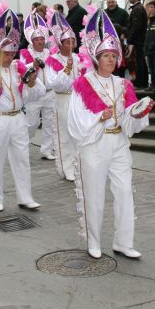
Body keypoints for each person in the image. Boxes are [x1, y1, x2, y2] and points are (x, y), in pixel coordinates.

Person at [68, 8, 152, 259]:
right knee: (94, 193)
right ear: (96, 58)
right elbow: (76, 118)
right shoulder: (84, 83)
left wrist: (138, 111)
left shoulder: (122, 84)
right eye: (106, 56)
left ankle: (123, 241)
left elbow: (127, 116)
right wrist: (97, 117)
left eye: (114, 56)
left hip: (118, 142)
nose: (111, 60)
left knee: (125, 190)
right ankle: (94, 241)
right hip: (94, 143)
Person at [0, 6, 44, 212]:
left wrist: (32, 82)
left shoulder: (18, 67)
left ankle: (25, 196)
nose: (10, 57)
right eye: (6, 53)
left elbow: (35, 93)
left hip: (17, 119)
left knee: (22, 159)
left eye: (13, 53)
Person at [45, 11, 87, 182]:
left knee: (79, 133)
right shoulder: (52, 60)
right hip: (62, 99)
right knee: (64, 134)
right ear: (60, 43)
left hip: (78, 99)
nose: (71, 45)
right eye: (67, 42)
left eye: (73, 41)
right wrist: (67, 69)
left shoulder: (80, 58)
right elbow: (54, 83)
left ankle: (78, 165)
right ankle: (66, 168)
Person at [19, 11, 56, 160]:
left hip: (50, 93)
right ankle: (23, 148)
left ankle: (47, 150)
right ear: (32, 42)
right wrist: (33, 64)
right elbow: (21, 69)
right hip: (34, 94)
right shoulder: (26, 53)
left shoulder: (50, 53)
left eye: (42, 39)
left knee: (49, 123)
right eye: (37, 40)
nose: (40, 42)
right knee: (31, 124)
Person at [126, 0, 149, 88]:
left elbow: (136, 26)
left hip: (138, 40)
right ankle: (142, 82)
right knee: (141, 61)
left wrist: (130, 39)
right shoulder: (138, 8)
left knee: (139, 61)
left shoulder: (137, 9)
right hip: (139, 39)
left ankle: (140, 82)